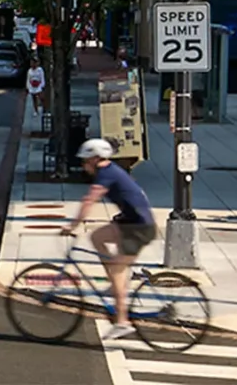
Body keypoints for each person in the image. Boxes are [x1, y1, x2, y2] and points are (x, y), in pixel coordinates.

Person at [68, 138, 157, 342]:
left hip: (139, 228)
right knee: (97, 237)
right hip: (129, 223)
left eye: (86, 161)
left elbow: (89, 199)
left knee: (118, 271)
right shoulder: (109, 170)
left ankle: (122, 322)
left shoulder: (106, 174)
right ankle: (115, 282)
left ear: (96, 159)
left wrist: (72, 225)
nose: (83, 165)